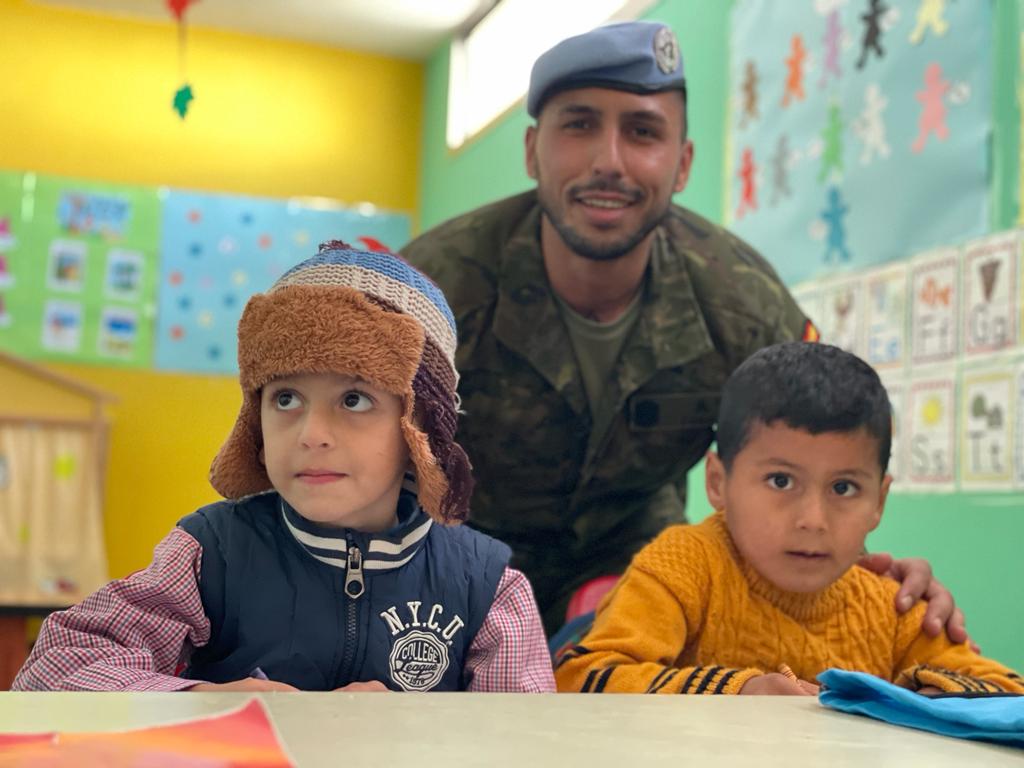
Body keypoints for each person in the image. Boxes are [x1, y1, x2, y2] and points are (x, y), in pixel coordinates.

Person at [401, 20, 964, 637]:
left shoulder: (744, 306)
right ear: (534, 150)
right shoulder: (433, 289)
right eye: (579, 125)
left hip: (636, 578)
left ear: (683, 162)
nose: (608, 161)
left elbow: (811, 466)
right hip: (444, 567)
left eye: (642, 132)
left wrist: (864, 581)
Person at [13, 243, 554, 693]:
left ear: (420, 428)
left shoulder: (487, 589)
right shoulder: (209, 554)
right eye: (286, 397)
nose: (310, 433)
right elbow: (52, 669)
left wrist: (414, 728)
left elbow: (525, 744)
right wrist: (201, 699)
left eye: (354, 400)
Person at [555, 343, 1023, 695]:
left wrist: (929, 696)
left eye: (843, 488)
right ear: (718, 482)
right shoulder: (683, 568)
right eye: (781, 481)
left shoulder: (892, 607)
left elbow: (1008, 696)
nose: (813, 520)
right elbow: (582, 677)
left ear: (879, 501)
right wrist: (737, 692)